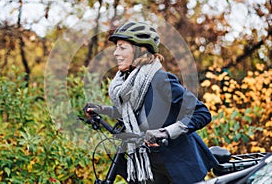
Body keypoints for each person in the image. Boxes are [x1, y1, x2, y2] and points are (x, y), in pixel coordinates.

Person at [84, 21, 218, 184]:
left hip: (179, 168)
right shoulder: (131, 84)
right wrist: (103, 110)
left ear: (140, 51)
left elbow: (201, 113)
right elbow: (135, 113)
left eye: (122, 47)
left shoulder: (160, 80)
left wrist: (165, 132)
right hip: (151, 167)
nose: (115, 53)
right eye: (116, 47)